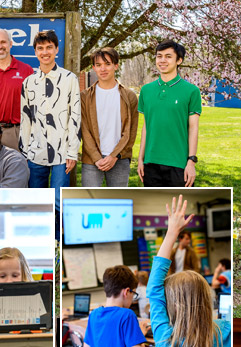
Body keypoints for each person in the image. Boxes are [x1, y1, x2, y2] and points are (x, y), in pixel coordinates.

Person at [147, 195, 230, 346]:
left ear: (174, 305)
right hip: (179, 281)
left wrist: (171, 231)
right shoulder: (226, 330)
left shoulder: (167, 340)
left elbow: (154, 290)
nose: (188, 241)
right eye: (186, 239)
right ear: (205, 297)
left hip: (181, 284)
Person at [20, 30, 80, 192]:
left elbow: (75, 117)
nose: (45, 52)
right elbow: (25, 120)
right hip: (35, 152)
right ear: (35, 51)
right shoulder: (28, 82)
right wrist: (24, 153)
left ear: (56, 49)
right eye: (40, 48)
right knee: (37, 203)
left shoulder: (70, 79)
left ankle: (57, 219)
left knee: (58, 200)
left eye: (49, 47)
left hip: (62, 153)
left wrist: (72, 152)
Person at [137, 40, 201, 187]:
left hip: (179, 164)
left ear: (179, 60)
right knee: (154, 209)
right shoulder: (146, 90)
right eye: (159, 56)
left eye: (168, 56)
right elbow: (147, 126)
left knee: (179, 209)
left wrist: (191, 161)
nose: (162, 60)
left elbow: (193, 128)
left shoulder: (191, 91)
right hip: (151, 162)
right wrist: (140, 159)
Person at [81, 47, 138, 187]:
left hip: (120, 159)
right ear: (94, 68)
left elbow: (131, 131)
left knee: (119, 204)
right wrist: (96, 158)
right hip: (92, 161)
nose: (103, 69)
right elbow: (84, 130)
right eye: (99, 65)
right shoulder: (85, 96)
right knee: (89, 203)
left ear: (116, 65)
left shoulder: (128, 95)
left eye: (107, 64)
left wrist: (115, 156)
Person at [84, 265, 147, 347]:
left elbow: (86, 345)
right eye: (134, 293)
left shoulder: (93, 314)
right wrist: (139, 336)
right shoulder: (127, 315)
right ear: (127, 292)